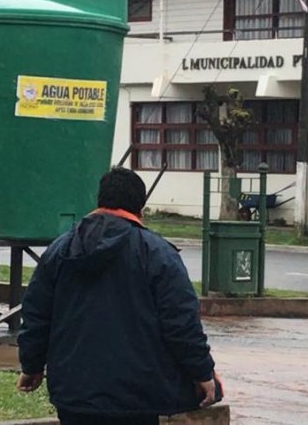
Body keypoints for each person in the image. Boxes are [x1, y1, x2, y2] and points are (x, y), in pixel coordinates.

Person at [16, 167, 222, 424]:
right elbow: (181, 323)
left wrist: (31, 366)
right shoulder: (157, 254)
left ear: (100, 200)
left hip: (74, 393)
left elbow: (36, 315)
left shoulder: (60, 249)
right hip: (138, 397)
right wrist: (202, 372)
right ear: (140, 208)